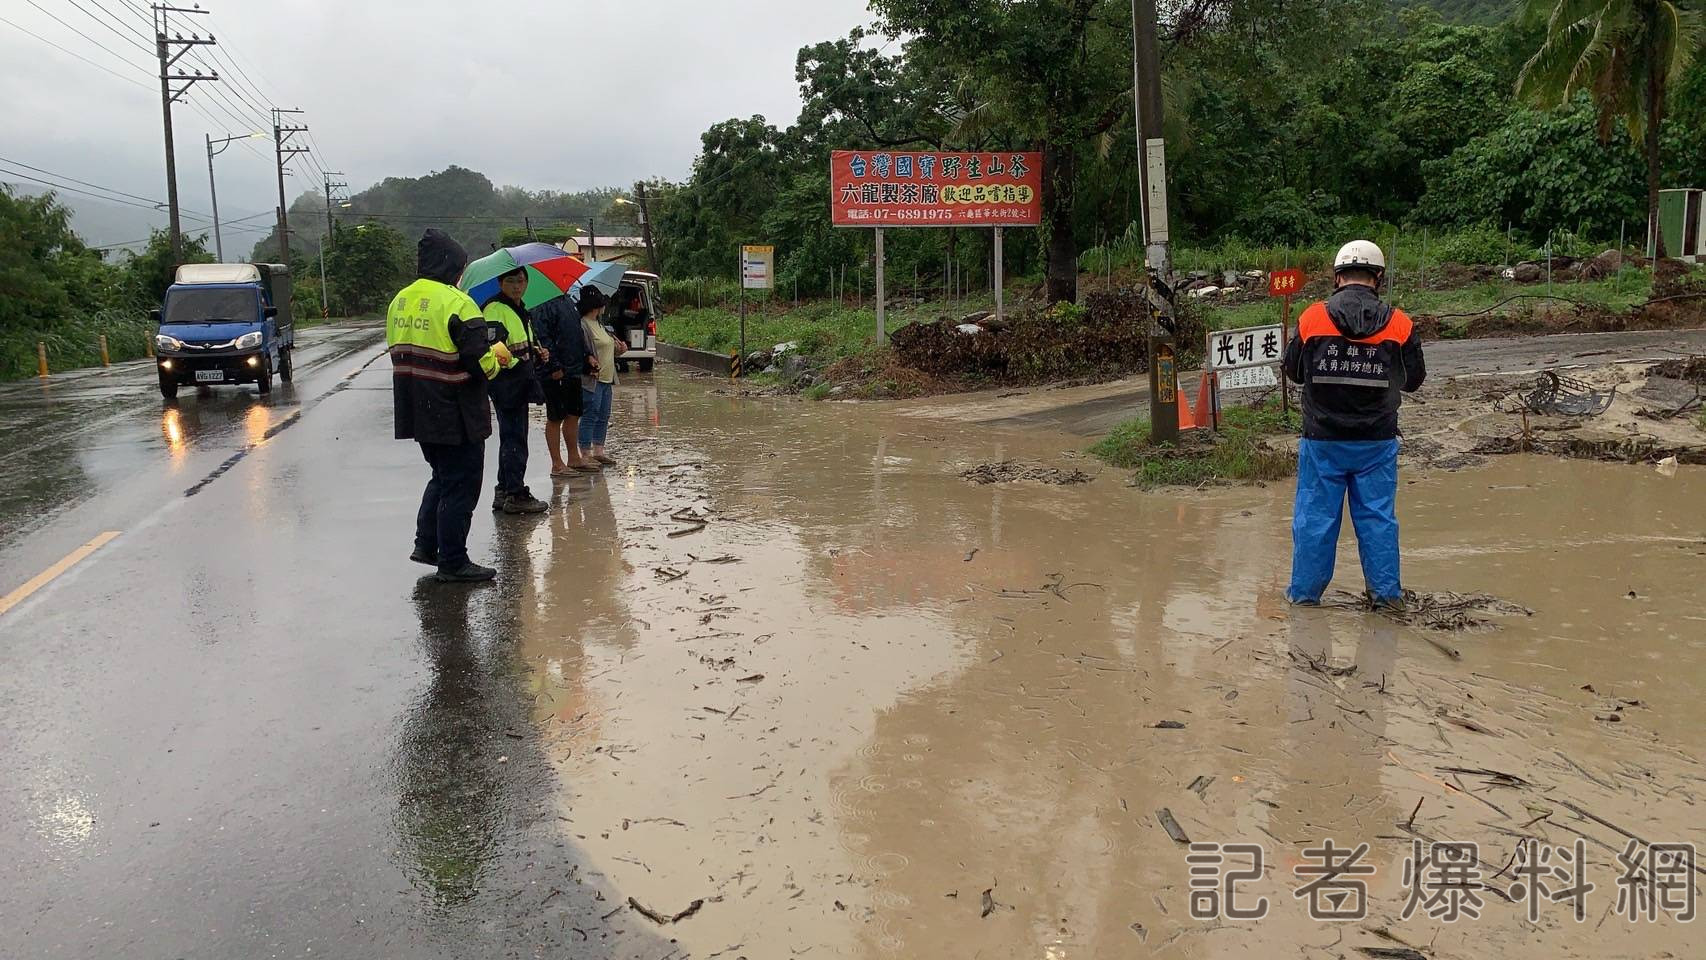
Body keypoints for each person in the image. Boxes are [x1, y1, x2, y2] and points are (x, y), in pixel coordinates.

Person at [1282, 240, 1426, 610]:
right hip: (1376, 443)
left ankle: (1305, 599)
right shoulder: (1400, 323)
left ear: (1337, 277)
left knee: (1315, 521)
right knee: (1377, 520)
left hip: (1322, 441)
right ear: (1378, 278)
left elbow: (1294, 372)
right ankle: (1385, 598)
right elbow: (1413, 380)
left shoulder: (1312, 318)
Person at [386, 229, 506, 583]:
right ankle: (453, 560)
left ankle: (427, 544)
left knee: (442, 476)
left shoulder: (400, 301)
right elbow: (478, 361)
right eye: (460, 266)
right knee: (462, 484)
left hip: (416, 409)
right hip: (456, 411)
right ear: (450, 264)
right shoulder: (458, 303)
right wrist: (497, 359)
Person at [482, 268, 550, 514]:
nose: (516, 286)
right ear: (500, 282)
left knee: (512, 436)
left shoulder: (520, 308)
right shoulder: (494, 309)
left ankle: (504, 489)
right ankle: (515, 493)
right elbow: (494, 348)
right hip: (507, 382)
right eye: (510, 281)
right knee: (515, 439)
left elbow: (521, 342)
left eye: (521, 281)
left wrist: (536, 352)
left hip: (520, 380)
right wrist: (519, 364)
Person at [532, 288, 601, 475]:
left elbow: (577, 334)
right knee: (555, 416)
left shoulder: (568, 301)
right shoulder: (542, 305)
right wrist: (554, 366)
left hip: (574, 369)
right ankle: (557, 464)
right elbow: (542, 338)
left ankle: (574, 458)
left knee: (573, 413)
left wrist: (587, 357)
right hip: (556, 371)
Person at [579, 288, 624, 465]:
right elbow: (584, 352)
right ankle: (585, 453)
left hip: (607, 378)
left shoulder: (600, 325)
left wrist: (619, 349)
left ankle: (599, 450)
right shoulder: (583, 325)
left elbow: (608, 350)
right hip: (592, 379)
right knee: (590, 414)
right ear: (596, 305)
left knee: (604, 415)